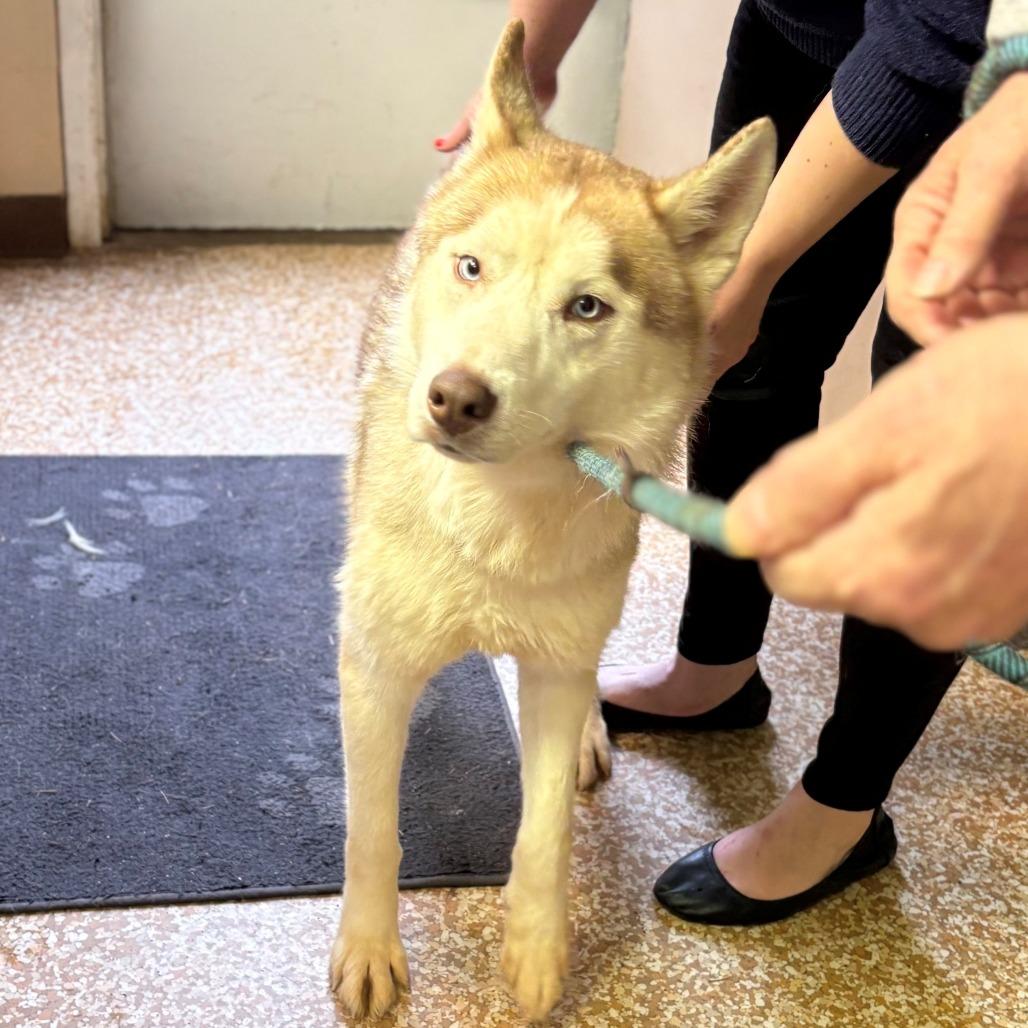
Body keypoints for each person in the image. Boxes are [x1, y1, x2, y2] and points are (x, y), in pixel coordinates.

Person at [438, 0, 1008, 926]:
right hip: (810, 26)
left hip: (985, 80)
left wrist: (747, 277)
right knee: (751, 364)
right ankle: (718, 667)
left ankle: (842, 806)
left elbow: (929, 43)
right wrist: (533, 58)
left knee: (935, 443)